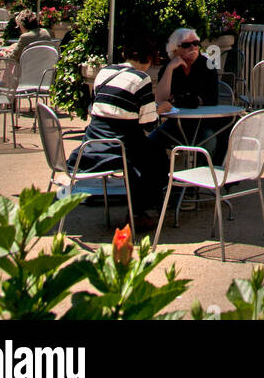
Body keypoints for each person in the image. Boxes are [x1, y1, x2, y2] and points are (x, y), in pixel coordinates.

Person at [69, 41, 168, 231]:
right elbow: (149, 124)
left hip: (92, 145)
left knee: (145, 155)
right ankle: (139, 212)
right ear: (147, 59)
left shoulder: (104, 72)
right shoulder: (141, 79)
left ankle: (137, 210)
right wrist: (161, 109)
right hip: (119, 146)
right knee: (157, 157)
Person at [154, 26, 221, 157]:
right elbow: (160, 100)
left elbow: (212, 98)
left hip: (201, 124)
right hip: (175, 125)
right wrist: (170, 69)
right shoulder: (169, 67)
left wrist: (183, 100)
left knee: (209, 142)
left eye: (196, 44)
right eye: (186, 45)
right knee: (151, 141)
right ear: (175, 49)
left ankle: (200, 176)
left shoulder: (207, 66)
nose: (193, 48)